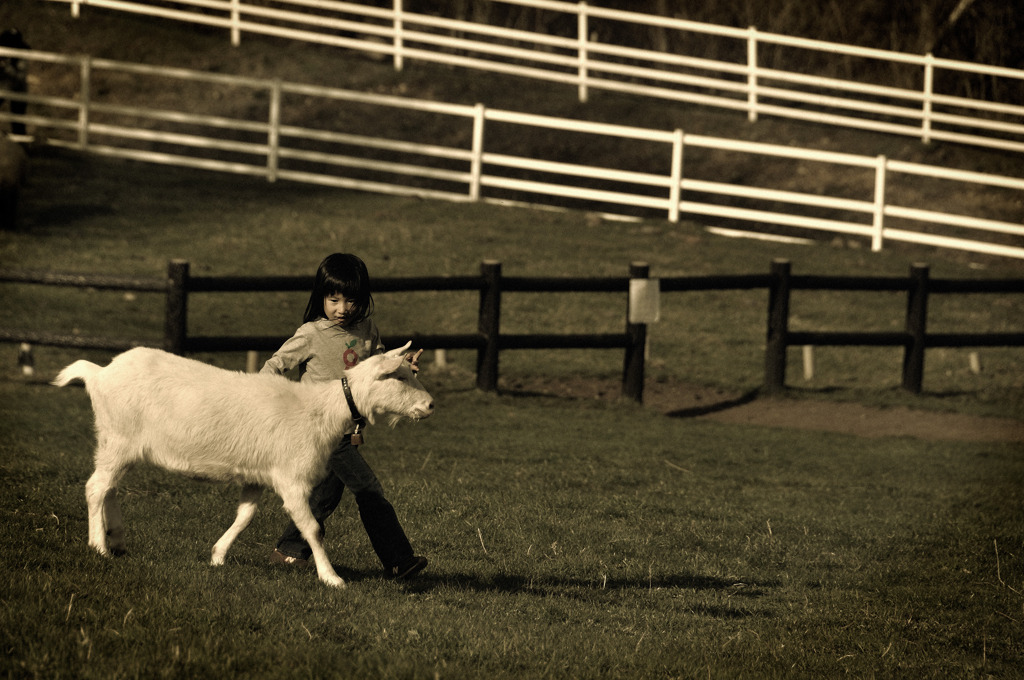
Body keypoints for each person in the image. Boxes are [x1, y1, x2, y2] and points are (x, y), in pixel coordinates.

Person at [261, 253, 428, 580]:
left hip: (348, 429)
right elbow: (274, 366)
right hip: (319, 428)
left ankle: (288, 552)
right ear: (320, 297)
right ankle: (399, 561)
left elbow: (381, 367)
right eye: (333, 299)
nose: (342, 308)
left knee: (325, 495)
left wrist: (405, 365)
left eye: (351, 300)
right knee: (368, 489)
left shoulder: (367, 330)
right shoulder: (311, 334)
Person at [0, 29, 29, 136]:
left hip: (17, 87)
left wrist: (8, 69)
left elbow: (20, 77)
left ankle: (20, 142)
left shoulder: (21, 55)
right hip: (3, 85)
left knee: (18, 121)